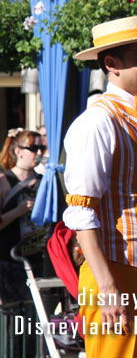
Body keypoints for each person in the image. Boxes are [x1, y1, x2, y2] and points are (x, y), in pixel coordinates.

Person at [62, 15, 137, 358]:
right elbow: (82, 212)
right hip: (116, 272)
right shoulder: (98, 121)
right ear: (112, 64)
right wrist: (107, 287)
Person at [0, 128, 48, 314]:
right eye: (32, 147)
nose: (38, 152)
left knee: (38, 318)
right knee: (15, 318)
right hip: (10, 262)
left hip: (39, 259)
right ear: (18, 150)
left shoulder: (45, 181)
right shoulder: (4, 182)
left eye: (41, 147)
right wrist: (16, 212)